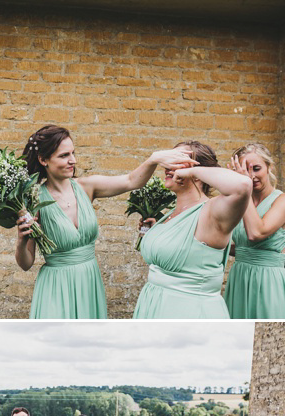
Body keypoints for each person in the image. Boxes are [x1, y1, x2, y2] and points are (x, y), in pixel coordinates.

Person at [17, 125, 196, 319]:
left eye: (73, 153)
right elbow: (26, 263)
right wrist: (21, 241)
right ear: (43, 160)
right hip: (55, 286)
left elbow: (130, 181)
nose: (73, 160)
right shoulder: (33, 200)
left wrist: (154, 158)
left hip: (89, 280)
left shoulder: (87, 187)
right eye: (64, 155)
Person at [133, 141, 251, 318]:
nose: (167, 166)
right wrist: (157, 233)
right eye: (169, 160)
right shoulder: (171, 214)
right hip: (153, 304)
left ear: (199, 171)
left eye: (177, 160)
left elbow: (243, 186)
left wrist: (191, 171)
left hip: (188, 311)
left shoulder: (212, 212)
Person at [224, 143, 285, 318]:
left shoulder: (281, 201)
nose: (251, 176)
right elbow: (240, 246)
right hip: (239, 278)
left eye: (256, 169)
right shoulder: (239, 202)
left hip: (268, 281)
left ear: (269, 167)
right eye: (245, 171)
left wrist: (244, 193)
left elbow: (256, 233)